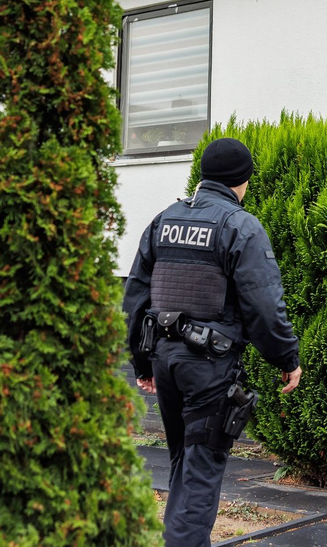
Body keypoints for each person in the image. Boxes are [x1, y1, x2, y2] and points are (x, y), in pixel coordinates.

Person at [124, 138, 302, 547]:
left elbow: (135, 298)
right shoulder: (240, 226)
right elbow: (263, 305)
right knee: (200, 470)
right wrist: (287, 358)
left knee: (184, 464)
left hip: (166, 360)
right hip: (208, 368)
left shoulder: (164, 221)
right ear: (243, 180)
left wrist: (142, 364)